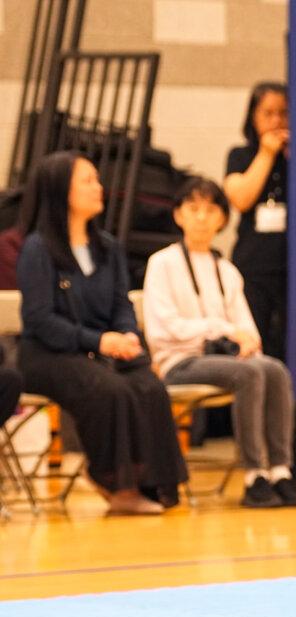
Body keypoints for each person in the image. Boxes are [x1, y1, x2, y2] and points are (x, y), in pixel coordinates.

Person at [16, 151, 187, 514]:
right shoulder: (37, 249)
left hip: (101, 349)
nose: (99, 188)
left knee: (149, 385)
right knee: (109, 389)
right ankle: (116, 483)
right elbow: (40, 319)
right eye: (88, 181)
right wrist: (98, 341)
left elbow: (121, 305)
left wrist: (126, 335)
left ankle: (155, 484)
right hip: (48, 354)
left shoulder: (108, 247)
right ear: (62, 191)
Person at [143, 177, 296, 509]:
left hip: (225, 361)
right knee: (248, 374)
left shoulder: (227, 270)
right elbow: (165, 329)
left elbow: (247, 329)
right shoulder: (162, 263)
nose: (201, 217)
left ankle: (279, 470)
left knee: (273, 368)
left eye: (210, 209)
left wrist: (245, 342)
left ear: (222, 218)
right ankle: (253, 476)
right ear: (178, 216)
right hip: (180, 363)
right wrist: (219, 329)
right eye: (193, 209)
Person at [224, 82, 290, 362]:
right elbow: (240, 198)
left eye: (283, 113)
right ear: (253, 116)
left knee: (285, 343)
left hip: (291, 267)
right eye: (268, 113)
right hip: (254, 266)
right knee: (255, 340)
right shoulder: (240, 155)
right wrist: (267, 153)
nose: (276, 120)